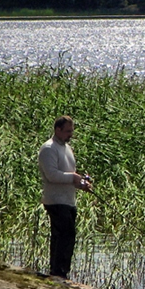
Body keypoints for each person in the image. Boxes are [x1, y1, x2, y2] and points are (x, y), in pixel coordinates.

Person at [38, 115, 93, 279]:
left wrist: (81, 183)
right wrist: (74, 178)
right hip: (55, 201)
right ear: (58, 130)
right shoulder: (49, 148)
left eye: (72, 131)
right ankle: (58, 272)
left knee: (66, 236)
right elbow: (51, 175)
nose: (71, 134)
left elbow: (69, 175)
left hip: (68, 201)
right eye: (68, 131)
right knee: (64, 235)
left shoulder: (67, 148)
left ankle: (60, 272)